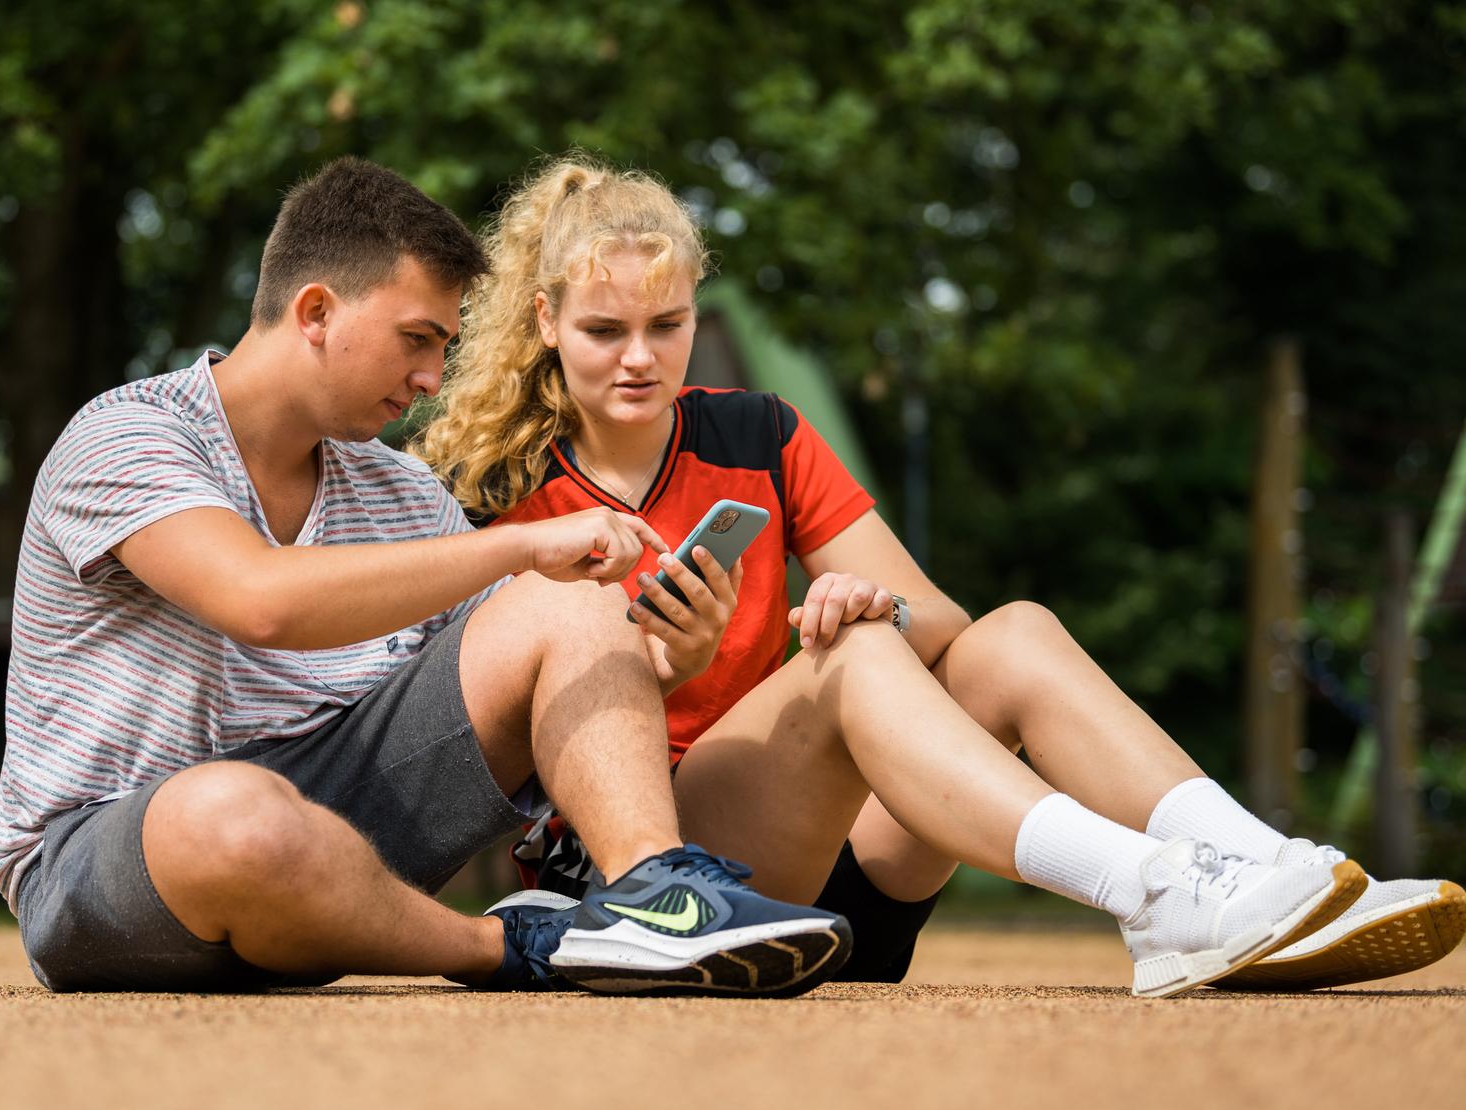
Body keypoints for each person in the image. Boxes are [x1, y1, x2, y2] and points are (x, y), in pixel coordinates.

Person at [414, 155, 1464, 995]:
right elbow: (480, 738)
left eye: (666, 325)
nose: (638, 358)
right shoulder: (488, 487)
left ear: (696, 312)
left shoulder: (755, 433)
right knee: (844, 665)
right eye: (603, 330)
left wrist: (866, 603)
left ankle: (1268, 872)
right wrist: (653, 664)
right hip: (662, 892)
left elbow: (941, 626)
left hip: (838, 865)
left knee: (1006, 632)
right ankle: (1152, 896)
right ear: (546, 322)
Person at [0, 156, 859, 998]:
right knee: (232, 814)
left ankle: (655, 898)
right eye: (417, 340)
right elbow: (260, 601)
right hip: (114, 861)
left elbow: (541, 673)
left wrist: (676, 661)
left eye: (443, 346)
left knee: (567, 604)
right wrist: (518, 546)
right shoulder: (127, 435)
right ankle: (517, 944)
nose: (432, 378)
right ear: (317, 311)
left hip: (346, 845)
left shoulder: (399, 488)